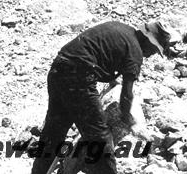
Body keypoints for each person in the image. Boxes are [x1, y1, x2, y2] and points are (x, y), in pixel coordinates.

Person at [30, 20, 173, 174]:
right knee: (99, 137)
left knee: (54, 132)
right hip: (78, 77)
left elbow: (102, 53)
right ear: (148, 40)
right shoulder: (135, 51)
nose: (150, 55)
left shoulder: (121, 29)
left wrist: (112, 81)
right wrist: (127, 117)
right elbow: (127, 94)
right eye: (154, 50)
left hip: (59, 68)